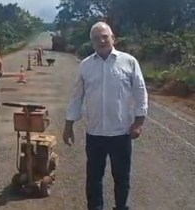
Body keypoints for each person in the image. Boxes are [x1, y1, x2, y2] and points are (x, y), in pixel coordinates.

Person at [63, 22, 148, 210]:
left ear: (113, 38)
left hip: (121, 133)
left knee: (122, 177)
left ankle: (121, 207)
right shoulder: (85, 66)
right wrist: (68, 126)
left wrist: (139, 122)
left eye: (104, 36)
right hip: (95, 134)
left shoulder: (129, 62)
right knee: (93, 178)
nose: (101, 40)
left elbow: (140, 91)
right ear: (91, 42)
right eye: (96, 38)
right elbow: (77, 96)